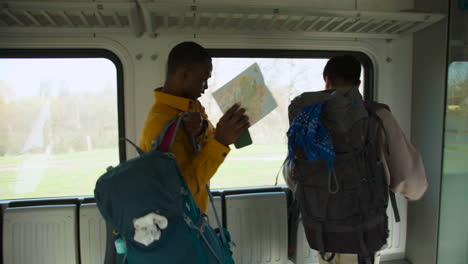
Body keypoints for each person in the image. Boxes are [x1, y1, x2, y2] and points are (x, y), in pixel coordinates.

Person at [284, 55, 428, 264]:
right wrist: (411, 192)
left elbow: (293, 173)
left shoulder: (307, 116)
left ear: (327, 80)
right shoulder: (376, 116)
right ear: (358, 83)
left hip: (320, 229)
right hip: (362, 231)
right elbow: (410, 177)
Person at [139, 41, 250, 213]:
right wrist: (220, 141)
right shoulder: (160, 123)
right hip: (177, 225)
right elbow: (179, 191)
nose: (205, 87)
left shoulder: (192, 107)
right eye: (203, 80)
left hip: (195, 217)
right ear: (184, 74)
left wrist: (201, 129)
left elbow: (209, 134)